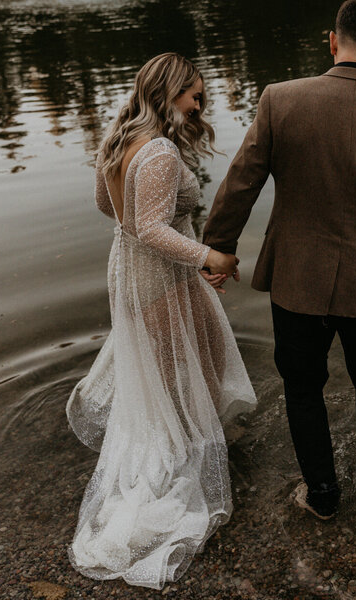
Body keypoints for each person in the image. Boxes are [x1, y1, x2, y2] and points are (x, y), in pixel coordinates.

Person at [202, 0, 356, 520]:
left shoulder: (280, 100)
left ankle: (323, 493)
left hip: (298, 280)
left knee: (303, 388)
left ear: (333, 42)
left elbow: (243, 181)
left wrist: (220, 246)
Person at [66, 53, 256, 589]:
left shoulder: (120, 140)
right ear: (170, 93)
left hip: (132, 270)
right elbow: (149, 226)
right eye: (194, 95)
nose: (200, 105)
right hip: (159, 273)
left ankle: (192, 441)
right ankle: (184, 460)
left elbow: (110, 206)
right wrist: (208, 257)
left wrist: (162, 234)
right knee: (191, 368)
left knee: (193, 358)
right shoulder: (161, 151)